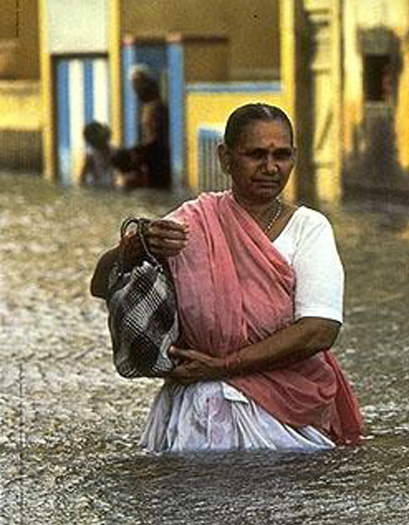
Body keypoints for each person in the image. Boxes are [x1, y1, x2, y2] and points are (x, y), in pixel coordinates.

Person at [90, 103, 364, 451]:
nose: (270, 168)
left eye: (281, 155)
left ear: (294, 157)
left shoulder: (309, 229)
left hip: (284, 410)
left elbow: (319, 331)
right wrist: (135, 247)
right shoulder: (190, 223)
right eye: (255, 155)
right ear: (225, 157)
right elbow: (101, 285)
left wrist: (222, 367)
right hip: (197, 406)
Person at [115, 65, 171, 190]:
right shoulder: (147, 107)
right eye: (134, 83)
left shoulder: (157, 107)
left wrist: (136, 152)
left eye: (139, 82)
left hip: (158, 159)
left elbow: (157, 139)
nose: (136, 87)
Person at [79, 121, 115, 189]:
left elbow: (82, 178)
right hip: (100, 187)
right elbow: (82, 177)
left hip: (102, 187)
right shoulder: (91, 155)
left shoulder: (114, 152)